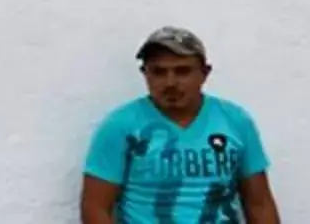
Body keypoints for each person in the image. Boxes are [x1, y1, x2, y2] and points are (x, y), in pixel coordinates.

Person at [79, 27, 280, 224]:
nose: (170, 82)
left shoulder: (235, 121)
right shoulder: (120, 126)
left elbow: (259, 204)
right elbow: (95, 207)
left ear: (204, 73)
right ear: (144, 73)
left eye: (182, 71)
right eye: (158, 72)